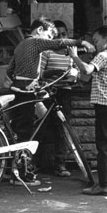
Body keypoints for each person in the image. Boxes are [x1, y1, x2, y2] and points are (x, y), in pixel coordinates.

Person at [6, 17, 94, 186]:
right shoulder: (36, 41)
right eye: (48, 35)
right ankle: (21, 175)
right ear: (39, 30)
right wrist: (82, 42)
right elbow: (58, 44)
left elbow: (11, 70)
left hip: (18, 90)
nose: (49, 40)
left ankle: (18, 168)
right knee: (25, 133)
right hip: (26, 92)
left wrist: (47, 73)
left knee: (26, 127)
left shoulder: (20, 46)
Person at [67, 25, 107, 195]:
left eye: (96, 40)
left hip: (104, 106)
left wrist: (74, 57)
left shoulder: (103, 56)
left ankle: (104, 185)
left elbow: (87, 70)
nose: (94, 44)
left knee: (103, 146)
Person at [39, 20, 79, 177]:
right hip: (49, 92)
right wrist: (53, 73)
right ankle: (39, 162)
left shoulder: (71, 53)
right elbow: (40, 73)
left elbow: (76, 71)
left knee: (63, 128)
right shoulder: (47, 51)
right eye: (58, 35)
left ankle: (60, 163)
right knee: (43, 127)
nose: (62, 38)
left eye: (64, 34)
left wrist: (74, 77)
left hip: (65, 92)